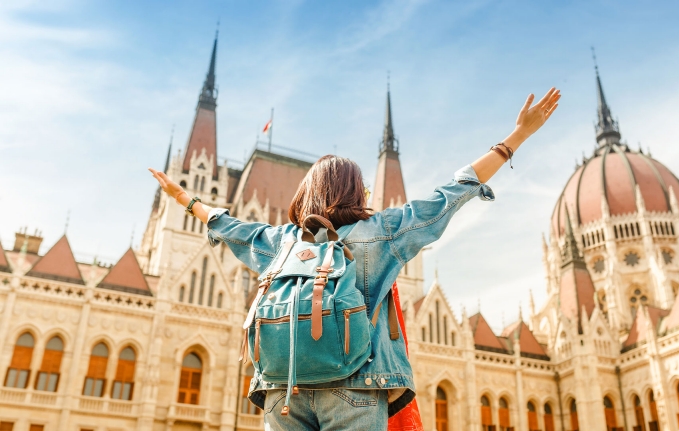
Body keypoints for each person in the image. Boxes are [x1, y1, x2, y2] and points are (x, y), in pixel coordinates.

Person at [150, 88, 560, 430]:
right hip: (355, 383)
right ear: (358, 194)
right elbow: (450, 194)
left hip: (280, 387)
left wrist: (186, 200)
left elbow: (229, 225)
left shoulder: (281, 241)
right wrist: (514, 139)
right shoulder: (382, 233)